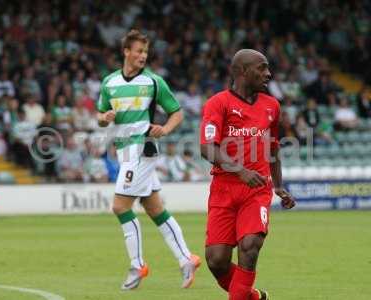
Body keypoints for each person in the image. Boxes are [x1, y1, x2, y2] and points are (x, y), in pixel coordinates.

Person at [96, 29, 200, 290]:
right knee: (155, 209)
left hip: (142, 148)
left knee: (120, 207)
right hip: (124, 151)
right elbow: (100, 115)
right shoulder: (109, 82)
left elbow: (176, 113)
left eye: (146, 52)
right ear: (126, 52)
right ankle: (187, 258)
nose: (143, 56)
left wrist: (164, 129)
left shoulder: (153, 81)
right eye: (139, 51)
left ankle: (137, 264)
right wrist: (104, 118)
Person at [200, 49, 296, 300]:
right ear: (242, 71)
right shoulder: (218, 103)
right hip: (224, 188)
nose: (268, 73)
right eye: (262, 68)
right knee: (216, 260)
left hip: (256, 190)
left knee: (249, 247)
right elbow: (207, 147)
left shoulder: (271, 106)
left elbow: (273, 147)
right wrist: (240, 171)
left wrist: (278, 186)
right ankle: (253, 297)